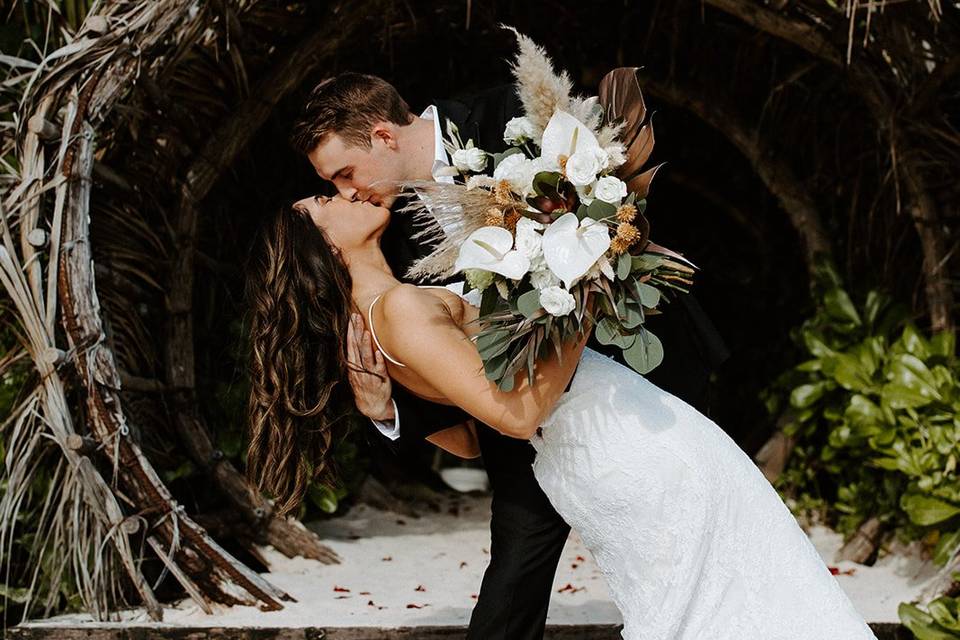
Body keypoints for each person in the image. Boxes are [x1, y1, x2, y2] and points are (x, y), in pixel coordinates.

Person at [244, 191, 877, 639]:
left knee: (708, 602)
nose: (344, 193)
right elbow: (517, 418)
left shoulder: (390, 314)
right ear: (322, 246)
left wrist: (386, 408)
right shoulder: (400, 311)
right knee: (731, 599)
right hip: (623, 443)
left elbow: (473, 439)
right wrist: (580, 291)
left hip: (604, 450)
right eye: (325, 202)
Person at [276, 72, 729, 639]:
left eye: (346, 172)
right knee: (516, 571)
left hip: (647, 372)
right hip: (527, 413)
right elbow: (429, 352)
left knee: (691, 547)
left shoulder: (514, 116)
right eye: (332, 185)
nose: (348, 191)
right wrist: (386, 411)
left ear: (384, 135)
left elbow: (621, 195)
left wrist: (588, 263)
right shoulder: (380, 230)